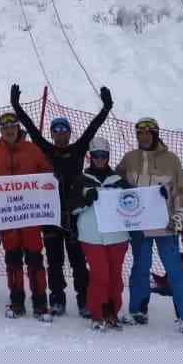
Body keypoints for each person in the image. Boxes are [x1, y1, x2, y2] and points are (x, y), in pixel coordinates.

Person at [11, 85, 114, 316]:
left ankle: (84, 301)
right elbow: (30, 128)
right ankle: (57, 299)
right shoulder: (45, 149)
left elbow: (92, 128)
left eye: (63, 130)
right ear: (52, 134)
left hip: (74, 216)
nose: (60, 134)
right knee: (54, 262)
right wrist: (17, 107)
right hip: (51, 217)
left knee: (78, 262)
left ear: (69, 133)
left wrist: (106, 108)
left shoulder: (78, 149)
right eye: (56, 130)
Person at [116, 114, 183, 333]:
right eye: (139, 133)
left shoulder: (171, 159)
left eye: (146, 133)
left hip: (165, 226)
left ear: (155, 134)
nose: (142, 137)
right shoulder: (130, 158)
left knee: (174, 270)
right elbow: (115, 182)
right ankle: (138, 310)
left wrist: (179, 216)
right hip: (139, 226)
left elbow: (181, 190)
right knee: (140, 267)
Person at [0, 91, 54, 321]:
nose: (9, 130)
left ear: (18, 127)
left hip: (31, 218)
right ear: (0, 131)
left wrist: (51, 184)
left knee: (35, 259)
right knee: (12, 260)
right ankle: (17, 302)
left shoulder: (32, 150)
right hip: (8, 218)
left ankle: (40, 303)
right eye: (4, 128)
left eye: (12, 126)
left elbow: (47, 176)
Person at [75, 135, 132, 330]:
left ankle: (112, 312)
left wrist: (157, 195)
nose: (100, 159)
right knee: (100, 275)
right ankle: (97, 313)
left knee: (115, 276)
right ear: (90, 156)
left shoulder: (118, 180)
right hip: (92, 236)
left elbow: (136, 202)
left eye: (103, 155)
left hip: (117, 236)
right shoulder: (82, 180)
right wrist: (85, 200)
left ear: (108, 156)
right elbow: (71, 207)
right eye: (96, 155)